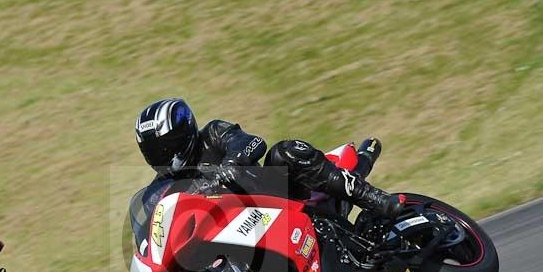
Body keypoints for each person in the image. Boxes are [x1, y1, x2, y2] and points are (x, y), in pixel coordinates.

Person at [134, 98, 403, 217]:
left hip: (277, 197)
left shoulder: (213, 134)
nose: (163, 155)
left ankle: (377, 200)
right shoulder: (158, 189)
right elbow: (155, 228)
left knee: (284, 151)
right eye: (154, 151)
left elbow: (252, 142)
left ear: (184, 134)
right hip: (231, 230)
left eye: (165, 146)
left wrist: (232, 163)